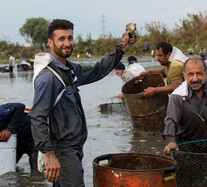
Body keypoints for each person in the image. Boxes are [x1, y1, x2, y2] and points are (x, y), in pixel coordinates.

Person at [29, 19, 135, 186]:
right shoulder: (48, 78)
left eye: (70, 38)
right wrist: (49, 154)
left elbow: (97, 70)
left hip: (74, 148)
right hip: (62, 150)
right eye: (61, 39)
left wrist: (121, 48)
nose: (67, 43)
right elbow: (36, 117)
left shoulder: (70, 70)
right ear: (50, 42)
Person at [0, 103, 38, 170]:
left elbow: (20, 107)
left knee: (36, 170)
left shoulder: (1, 112)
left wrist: (9, 129)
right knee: (8, 168)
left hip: (31, 133)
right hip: (16, 141)